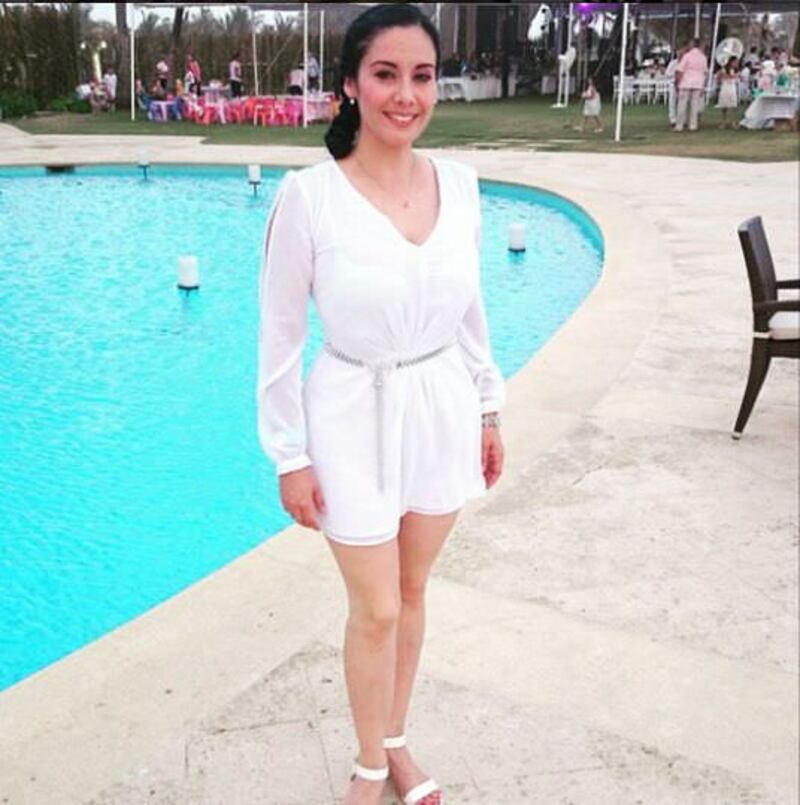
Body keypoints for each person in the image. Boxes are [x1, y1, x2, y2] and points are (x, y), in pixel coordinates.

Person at [256, 5, 504, 804]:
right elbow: (279, 337)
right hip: (349, 412)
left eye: (422, 76)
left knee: (413, 592)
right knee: (374, 607)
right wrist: (289, 453)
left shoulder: (460, 187)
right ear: (351, 85)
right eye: (386, 74)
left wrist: (488, 407)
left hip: (441, 406)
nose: (406, 95)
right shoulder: (309, 197)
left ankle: (395, 738)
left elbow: (470, 312)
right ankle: (368, 767)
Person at [674, 37, 707, 132]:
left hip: (686, 82)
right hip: (698, 83)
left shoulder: (687, 56)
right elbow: (704, 72)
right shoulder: (703, 57)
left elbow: (680, 70)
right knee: (694, 105)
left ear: (692, 45)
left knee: (682, 104)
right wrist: (703, 86)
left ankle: (679, 125)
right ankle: (693, 125)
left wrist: (677, 82)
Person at [715, 56, 739, 128]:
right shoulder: (724, 69)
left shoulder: (736, 70)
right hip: (725, 87)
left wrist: (736, 76)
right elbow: (721, 77)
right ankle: (723, 122)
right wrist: (733, 76)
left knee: (733, 106)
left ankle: (733, 122)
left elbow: (736, 79)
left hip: (732, 88)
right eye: (735, 62)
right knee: (724, 106)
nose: (736, 63)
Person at [665, 47, 684, 127]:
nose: (679, 54)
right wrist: (675, 75)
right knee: (672, 102)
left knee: (681, 103)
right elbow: (667, 73)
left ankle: (681, 119)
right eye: (678, 52)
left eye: (681, 53)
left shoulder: (685, 62)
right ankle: (673, 119)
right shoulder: (673, 63)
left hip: (682, 84)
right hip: (673, 84)